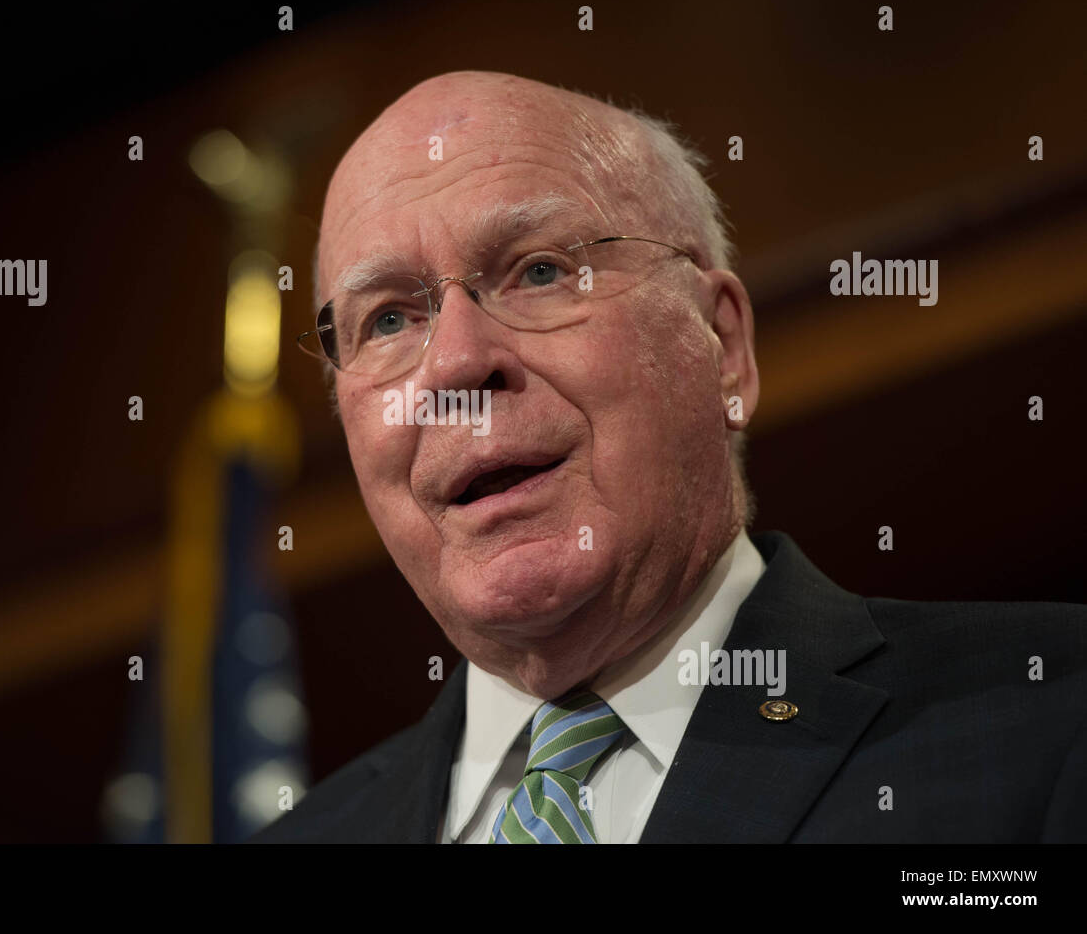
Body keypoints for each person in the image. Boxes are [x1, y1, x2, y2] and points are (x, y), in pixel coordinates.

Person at [251, 71, 1087, 843]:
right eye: (389, 320)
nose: (458, 365)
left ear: (721, 345)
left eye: (539, 271)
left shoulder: (1048, 714)